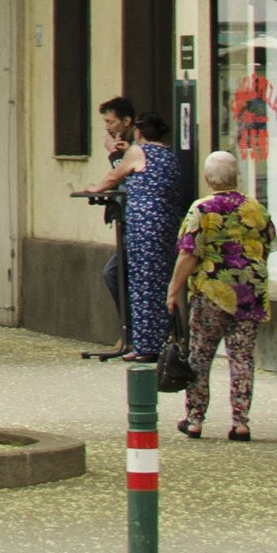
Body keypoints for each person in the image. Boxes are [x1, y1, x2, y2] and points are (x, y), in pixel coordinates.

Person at [168, 146, 275, 440]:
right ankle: (241, 422)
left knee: (200, 356)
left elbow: (189, 254)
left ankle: (194, 419)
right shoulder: (256, 209)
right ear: (236, 177)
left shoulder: (201, 209)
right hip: (249, 293)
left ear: (207, 177)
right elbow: (268, 244)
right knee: (242, 358)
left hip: (211, 292)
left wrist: (173, 289)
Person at [81, 97, 181, 361]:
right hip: (165, 226)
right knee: (157, 282)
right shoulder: (169, 155)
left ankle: (142, 344)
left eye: (110, 121)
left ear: (135, 129)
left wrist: (98, 182)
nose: (108, 127)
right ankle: (155, 340)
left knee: (140, 283)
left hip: (142, 227)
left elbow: (116, 176)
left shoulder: (139, 152)